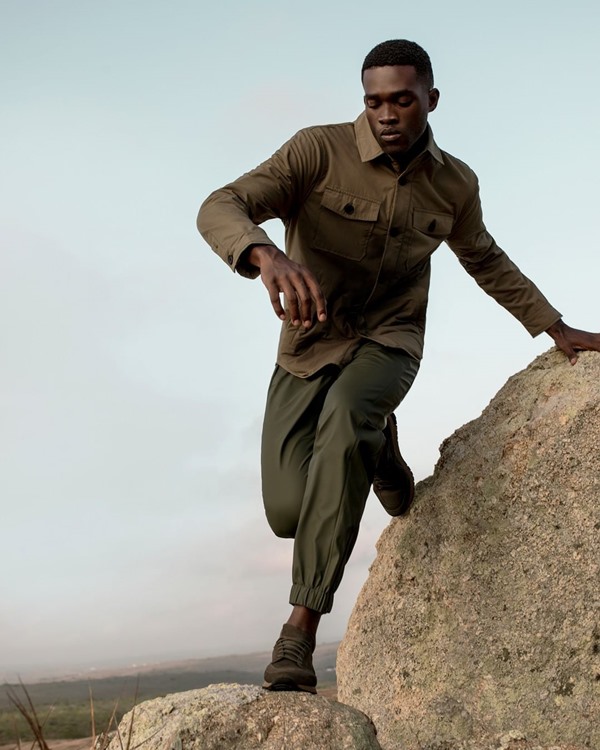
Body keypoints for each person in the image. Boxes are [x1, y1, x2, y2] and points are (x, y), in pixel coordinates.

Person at [197, 39, 600, 694]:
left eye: (402, 99)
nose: (386, 113)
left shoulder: (454, 184)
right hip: (306, 349)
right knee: (286, 512)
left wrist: (556, 327)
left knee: (347, 424)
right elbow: (220, 203)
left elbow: (486, 260)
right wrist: (265, 257)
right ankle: (381, 445)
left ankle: (298, 630)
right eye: (374, 100)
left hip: (390, 341)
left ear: (430, 101)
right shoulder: (315, 151)